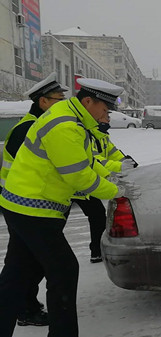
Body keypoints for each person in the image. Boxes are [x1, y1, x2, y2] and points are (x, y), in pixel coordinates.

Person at [0, 78, 125, 337]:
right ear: (88, 101)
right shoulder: (66, 126)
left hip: (24, 206)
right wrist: (118, 192)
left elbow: (87, 161)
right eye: (105, 108)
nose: (107, 114)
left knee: (16, 276)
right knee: (64, 270)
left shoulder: (75, 120)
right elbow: (79, 176)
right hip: (34, 208)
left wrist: (115, 175)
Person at [0, 72, 68, 327]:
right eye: (57, 99)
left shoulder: (42, 126)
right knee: (31, 262)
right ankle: (25, 308)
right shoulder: (28, 129)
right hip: (24, 206)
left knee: (23, 262)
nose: (62, 104)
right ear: (43, 102)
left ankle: (22, 305)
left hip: (31, 206)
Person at [70, 112, 137, 263]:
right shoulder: (89, 136)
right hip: (76, 186)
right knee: (93, 216)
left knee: (97, 217)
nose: (108, 120)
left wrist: (127, 161)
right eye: (105, 116)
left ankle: (97, 252)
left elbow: (114, 153)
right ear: (96, 119)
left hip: (86, 185)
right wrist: (120, 166)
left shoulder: (102, 136)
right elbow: (96, 161)